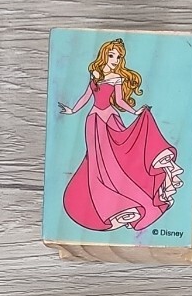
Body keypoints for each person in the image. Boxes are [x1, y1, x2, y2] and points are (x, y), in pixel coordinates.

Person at [59, 40, 183, 232]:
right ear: (104, 55)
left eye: (118, 57)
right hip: (94, 121)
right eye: (112, 55)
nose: (115, 60)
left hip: (111, 119)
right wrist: (72, 110)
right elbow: (86, 97)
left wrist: (135, 112)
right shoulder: (95, 75)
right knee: (97, 161)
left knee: (119, 155)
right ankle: (103, 195)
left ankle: (129, 190)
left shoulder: (116, 78)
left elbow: (120, 101)